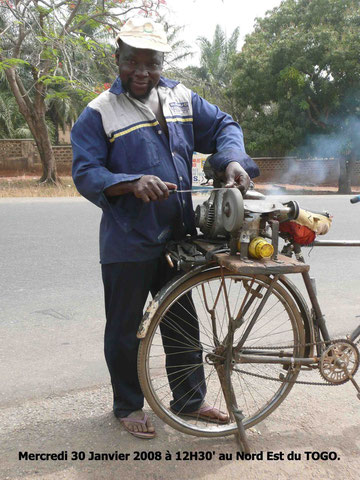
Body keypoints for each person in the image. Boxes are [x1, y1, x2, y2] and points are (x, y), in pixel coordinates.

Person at [71, 17, 259, 439]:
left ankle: (189, 399)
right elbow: (85, 172)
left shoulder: (179, 96)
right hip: (128, 238)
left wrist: (231, 160)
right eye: (131, 62)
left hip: (177, 233)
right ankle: (128, 405)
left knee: (180, 317)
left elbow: (225, 126)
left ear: (162, 62)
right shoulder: (98, 112)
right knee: (124, 326)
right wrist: (131, 183)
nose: (141, 72)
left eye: (151, 63)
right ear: (116, 60)